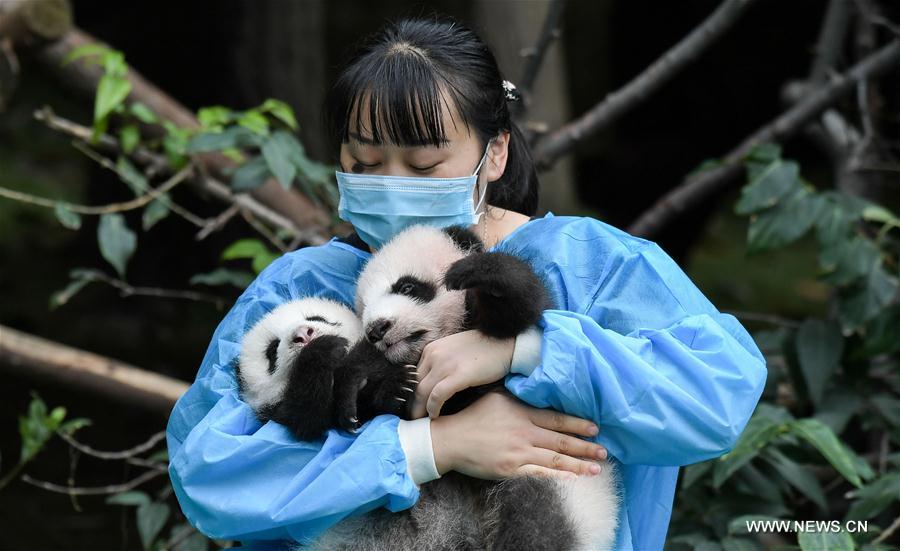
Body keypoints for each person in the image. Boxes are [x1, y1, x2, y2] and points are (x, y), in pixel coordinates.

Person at [166, 16, 767, 550]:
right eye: (365, 164)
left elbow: (719, 393)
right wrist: (433, 447)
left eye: (425, 165)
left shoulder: (589, 264)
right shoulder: (302, 286)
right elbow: (209, 476)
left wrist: (524, 348)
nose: (394, 182)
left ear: (496, 153)